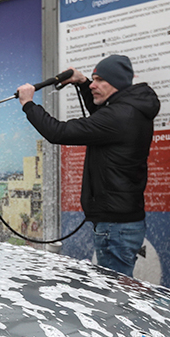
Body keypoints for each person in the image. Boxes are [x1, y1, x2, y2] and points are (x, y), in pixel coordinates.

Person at [17, 54, 160, 277]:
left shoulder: (118, 116)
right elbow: (100, 114)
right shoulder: (132, 109)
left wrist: (28, 104)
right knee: (119, 291)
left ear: (117, 83)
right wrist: (82, 82)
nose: (94, 85)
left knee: (114, 297)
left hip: (115, 226)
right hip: (124, 220)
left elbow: (58, 132)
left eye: (100, 80)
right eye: (93, 79)